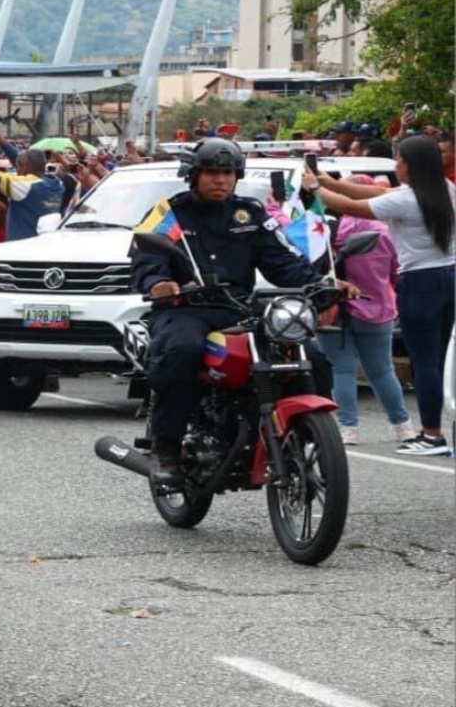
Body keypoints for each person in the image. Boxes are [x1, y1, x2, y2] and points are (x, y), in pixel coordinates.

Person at [130, 139, 354, 487]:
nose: (220, 180)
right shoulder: (170, 212)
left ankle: (308, 437)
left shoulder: (251, 214)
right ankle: (167, 447)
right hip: (185, 308)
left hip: (239, 309)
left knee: (309, 354)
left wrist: (322, 286)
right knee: (181, 351)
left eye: (228, 173)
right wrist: (159, 282)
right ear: (193, 174)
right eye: (211, 173)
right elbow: (146, 256)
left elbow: (284, 262)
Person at [306, 134, 455, 456]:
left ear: (411, 166)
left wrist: (316, 188)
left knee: (425, 363)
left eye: (399, 161)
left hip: (421, 282)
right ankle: (436, 430)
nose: (396, 166)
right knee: (442, 363)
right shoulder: (445, 190)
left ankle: (431, 435)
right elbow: (379, 193)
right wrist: (331, 181)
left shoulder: (406, 201)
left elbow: (350, 208)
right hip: (450, 277)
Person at [314, 195, 412, 444]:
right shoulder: (386, 232)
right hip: (378, 309)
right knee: (381, 370)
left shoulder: (328, 230)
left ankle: (349, 429)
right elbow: (396, 272)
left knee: (342, 369)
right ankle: (402, 426)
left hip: (331, 310)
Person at [0, 128, 64, 241]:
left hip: (23, 248)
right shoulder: (57, 183)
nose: (16, 170)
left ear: (25, 167)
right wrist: (2, 142)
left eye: (18, 167)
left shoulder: (26, 186)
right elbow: (24, 160)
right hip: (45, 243)